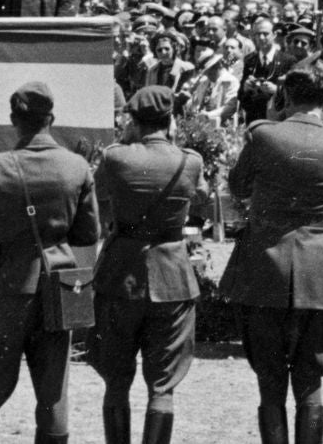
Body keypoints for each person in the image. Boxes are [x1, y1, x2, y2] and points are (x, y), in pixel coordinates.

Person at [0, 82, 100, 444]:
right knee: (53, 392)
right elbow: (87, 234)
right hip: (60, 290)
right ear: (51, 118)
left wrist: (2, 227)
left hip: (8, 288)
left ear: (13, 120)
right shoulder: (77, 167)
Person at [220, 68, 323, 444]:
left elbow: (238, 185)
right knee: (311, 381)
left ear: (283, 98)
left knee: (270, 378)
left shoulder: (264, 136)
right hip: (322, 271)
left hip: (266, 265)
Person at [91, 86, 208, 444]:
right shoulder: (190, 161)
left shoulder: (115, 158)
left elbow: (99, 205)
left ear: (133, 121)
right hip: (172, 274)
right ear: (170, 120)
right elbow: (201, 203)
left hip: (120, 273)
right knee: (163, 385)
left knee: (116, 381)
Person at [235, 18, 295, 124]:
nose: (261, 38)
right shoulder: (250, 60)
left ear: (274, 35)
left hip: (276, 120)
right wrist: (245, 87)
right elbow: (240, 95)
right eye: (258, 34)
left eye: (265, 34)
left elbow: (293, 95)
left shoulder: (287, 60)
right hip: (253, 119)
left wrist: (277, 90)